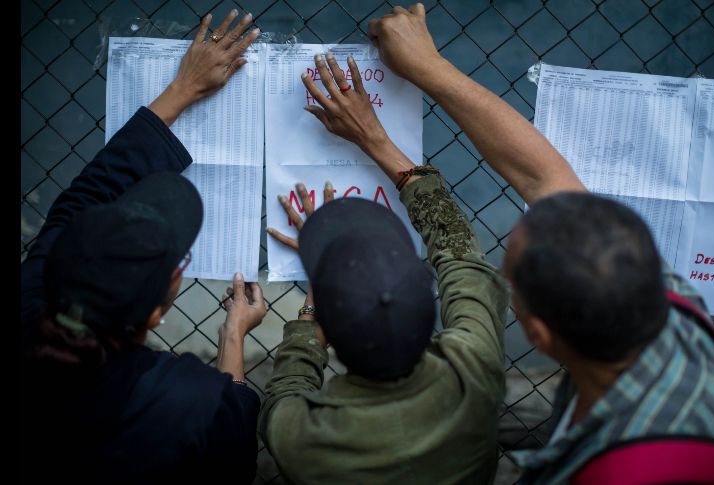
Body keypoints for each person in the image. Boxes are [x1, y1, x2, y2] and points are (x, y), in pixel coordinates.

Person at [366, 3, 714, 484]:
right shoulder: (675, 311)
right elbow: (543, 178)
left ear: (539, 335)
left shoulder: (602, 474)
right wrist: (428, 67)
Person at [20, 11, 265, 484]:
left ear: (60, 264)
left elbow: (84, 197)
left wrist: (183, 88)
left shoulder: (29, 299)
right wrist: (234, 334)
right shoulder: (193, 406)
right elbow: (232, 428)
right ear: (154, 314)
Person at [259, 48, 510, 482]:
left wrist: (318, 295)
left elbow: (287, 390)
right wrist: (376, 139)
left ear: (329, 337)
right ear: (432, 311)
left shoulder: (299, 438)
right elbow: (462, 257)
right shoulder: (475, 376)